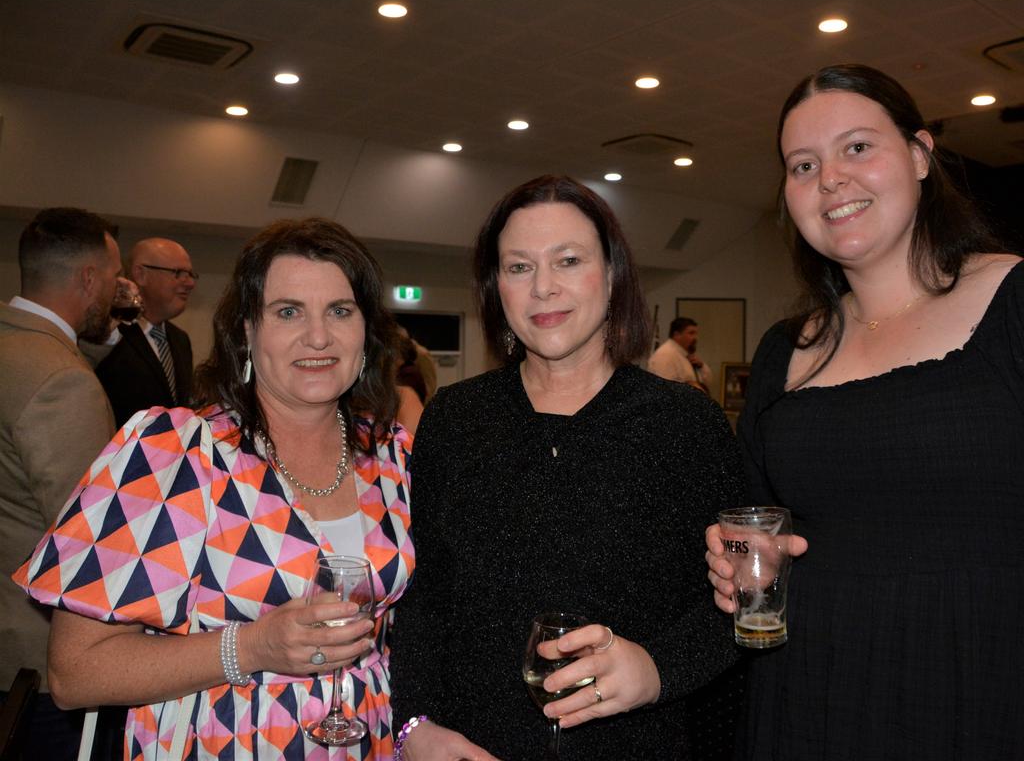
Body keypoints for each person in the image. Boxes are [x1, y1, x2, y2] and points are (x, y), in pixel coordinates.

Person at [704, 64, 1022, 759]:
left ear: (919, 155)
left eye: (857, 148)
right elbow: (751, 523)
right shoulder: (786, 350)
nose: (830, 180)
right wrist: (734, 560)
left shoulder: (1013, 300)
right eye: (803, 165)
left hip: (981, 691)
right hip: (806, 700)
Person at [14, 218, 414, 760]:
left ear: (367, 329)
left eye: (340, 311)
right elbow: (76, 671)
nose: (318, 336)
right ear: (247, 330)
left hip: (373, 741)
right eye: (288, 311)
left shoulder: (393, 454)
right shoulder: (175, 452)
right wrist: (250, 646)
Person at [390, 175, 743, 760]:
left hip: (638, 745)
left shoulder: (685, 425)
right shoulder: (455, 420)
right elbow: (425, 597)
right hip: (470, 746)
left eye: (569, 260)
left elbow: (735, 610)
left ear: (612, 275)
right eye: (519, 267)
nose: (543, 288)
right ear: (495, 287)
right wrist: (413, 727)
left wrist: (656, 669)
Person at [0, 207, 121, 759]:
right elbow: (89, 539)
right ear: (89, 279)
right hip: (32, 659)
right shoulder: (63, 382)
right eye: (116, 277)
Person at [93, 237, 197, 426]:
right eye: (179, 273)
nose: (190, 283)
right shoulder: (107, 337)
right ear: (140, 274)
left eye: (190, 274)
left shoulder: (180, 340)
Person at [648, 316, 712, 390]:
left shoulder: (685, 355)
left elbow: (708, 382)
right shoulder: (665, 355)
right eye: (691, 333)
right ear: (676, 335)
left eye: (696, 333)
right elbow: (664, 390)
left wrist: (701, 366)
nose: (695, 337)